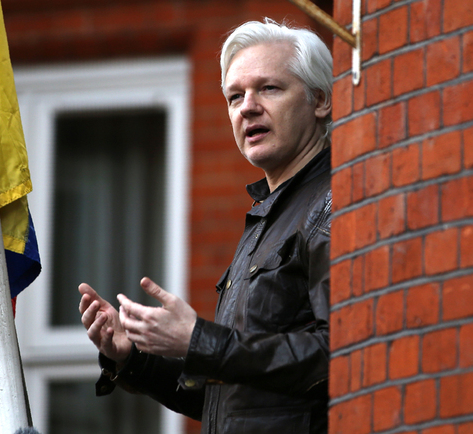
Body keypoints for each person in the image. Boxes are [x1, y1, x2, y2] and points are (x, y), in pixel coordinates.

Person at [78, 18, 332, 433]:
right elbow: (233, 397)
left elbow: (340, 355)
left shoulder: (329, 201)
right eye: (235, 96)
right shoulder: (267, 217)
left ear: (320, 101)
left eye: (268, 88)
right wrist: (132, 358)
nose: (247, 106)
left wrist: (200, 341)